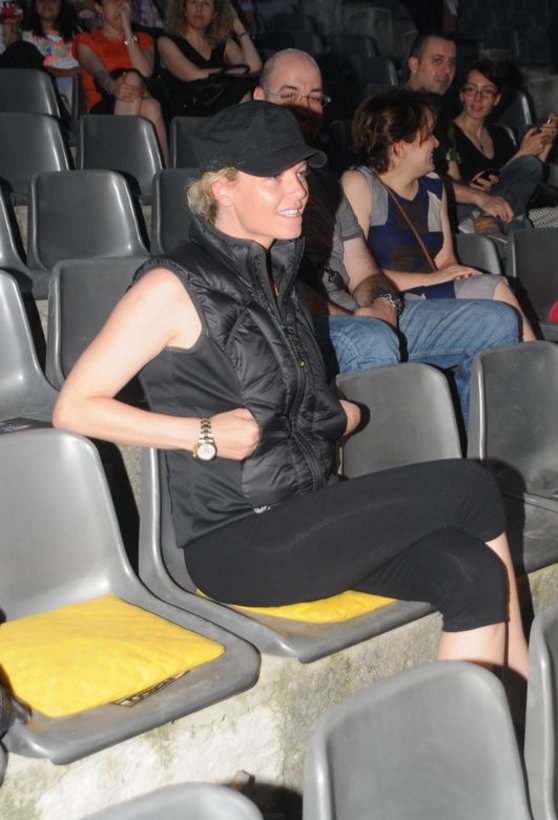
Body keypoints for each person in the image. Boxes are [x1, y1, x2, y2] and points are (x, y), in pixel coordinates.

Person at [53, 99, 528, 678]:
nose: (298, 190)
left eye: (300, 174)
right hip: (240, 539)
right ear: (223, 189)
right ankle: (526, 700)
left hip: (307, 509)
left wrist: (334, 414)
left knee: (471, 571)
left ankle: (484, 725)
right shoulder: (170, 286)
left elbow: (277, 394)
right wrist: (201, 433)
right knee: (472, 486)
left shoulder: (278, 277)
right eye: (275, 177)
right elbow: (74, 407)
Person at [253, 49, 521, 422]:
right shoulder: (245, 180)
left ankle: (474, 446)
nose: (305, 109)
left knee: (499, 320)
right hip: (297, 326)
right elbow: (272, 285)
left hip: (356, 313)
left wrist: (383, 305)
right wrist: (353, 315)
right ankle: (395, 457)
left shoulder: (325, 185)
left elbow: (364, 272)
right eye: (290, 94)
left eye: (315, 98)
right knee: (373, 339)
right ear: (259, 98)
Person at [340, 89, 536, 340]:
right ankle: (539, 361)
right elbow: (358, 275)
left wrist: (460, 274)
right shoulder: (359, 184)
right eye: (428, 136)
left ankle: (528, 360)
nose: (436, 143)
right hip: (388, 303)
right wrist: (432, 279)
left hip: (432, 292)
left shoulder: (434, 185)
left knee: (497, 291)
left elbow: (445, 262)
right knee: (496, 291)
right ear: (400, 146)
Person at [406, 31, 516, 233]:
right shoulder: (394, 111)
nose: (447, 70)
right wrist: (478, 197)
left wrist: (472, 187)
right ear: (414, 64)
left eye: (452, 63)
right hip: (415, 213)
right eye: (438, 61)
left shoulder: (442, 118)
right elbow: (414, 177)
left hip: (453, 208)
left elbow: (453, 176)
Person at [454, 58, 557, 219]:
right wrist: (523, 153)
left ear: (497, 99)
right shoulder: (447, 133)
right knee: (528, 163)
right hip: (470, 212)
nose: (478, 98)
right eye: (471, 89)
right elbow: (453, 186)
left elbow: (523, 179)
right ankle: (493, 218)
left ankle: (495, 219)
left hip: (511, 212)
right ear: (461, 94)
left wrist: (545, 144)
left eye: (487, 91)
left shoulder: (501, 134)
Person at [74, 0, 169, 164]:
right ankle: (163, 173)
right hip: (103, 108)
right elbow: (99, 72)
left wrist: (127, 29)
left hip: (140, 93)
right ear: (99, 7)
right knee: (151, 107)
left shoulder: (144, 40)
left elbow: (144, 72)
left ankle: (120, 162)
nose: (120, 5)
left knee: (133, 78)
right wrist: (112, 86)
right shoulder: (86, 40)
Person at [157, 0, 261, 116]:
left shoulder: (222, 42)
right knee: (240, 88)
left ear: (215, 13)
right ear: (183, 9)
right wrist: (233, 72)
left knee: (246, 88)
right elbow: (193, 75)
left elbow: (254, 68)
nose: (199, 8)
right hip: (188, 108)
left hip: (219, 101)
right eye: (193, 2)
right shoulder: (166, 42)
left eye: (206, 3)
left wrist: (239, 27)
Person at [23, 0, 80, 108]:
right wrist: (64, 73)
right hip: (42, 89)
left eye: (53, 0)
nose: (47, 4)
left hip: (73, 88)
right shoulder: (27, 37)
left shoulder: (76, 34)